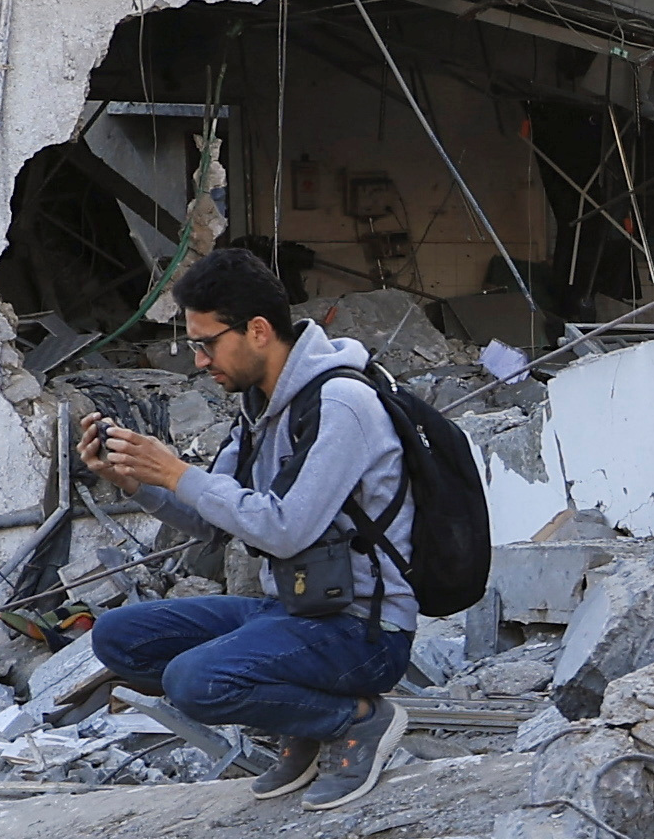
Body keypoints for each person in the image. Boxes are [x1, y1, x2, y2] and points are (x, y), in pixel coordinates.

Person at [79, 247, 422, 809]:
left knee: (194, 681)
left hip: (363, 630)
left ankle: (354, 720)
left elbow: (284, 531)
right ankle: (305, 724)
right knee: (118, 635)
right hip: (292, 610)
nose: (198, 361)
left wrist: (180, 471)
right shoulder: (260, 409)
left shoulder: (342, 404)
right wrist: (136, 482)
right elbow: (210, 523)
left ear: (257, 331)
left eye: (206, 343)